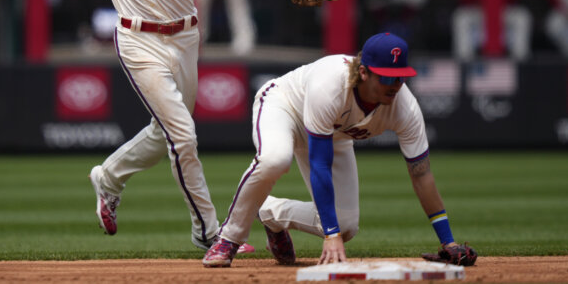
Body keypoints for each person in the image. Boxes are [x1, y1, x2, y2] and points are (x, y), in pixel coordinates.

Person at [41, 0, 309, 251]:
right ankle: (209, 232)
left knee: (161, 133)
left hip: (184, 37)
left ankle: (108, 177)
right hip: (136, 40)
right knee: (182, 136)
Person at [202, 32, 475, 267]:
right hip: (285, 107)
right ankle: (229, 238)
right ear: (364, 72)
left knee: (346, 226)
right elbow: (319, 164)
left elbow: (421, 175)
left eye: (400, 77)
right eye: (386, 78)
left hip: (333, 132)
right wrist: (329, 236)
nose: (395, 85)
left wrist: (448, 241)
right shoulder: (331, 86)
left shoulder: (405, 108)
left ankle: (271, 213)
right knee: (275, 159)